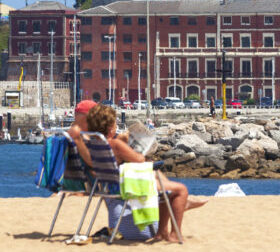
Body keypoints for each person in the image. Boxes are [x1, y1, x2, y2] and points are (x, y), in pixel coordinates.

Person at [85, 103, 200, 242]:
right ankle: (174, 234)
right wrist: (128, 143)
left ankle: (161, 233)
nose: (116, 127)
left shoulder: (92, 144)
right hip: (123, 186)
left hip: (108, 187)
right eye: (115, 124)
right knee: (181, 190)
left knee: (165, 189)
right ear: (110, 128)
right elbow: (139, 159)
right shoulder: (114, 144)